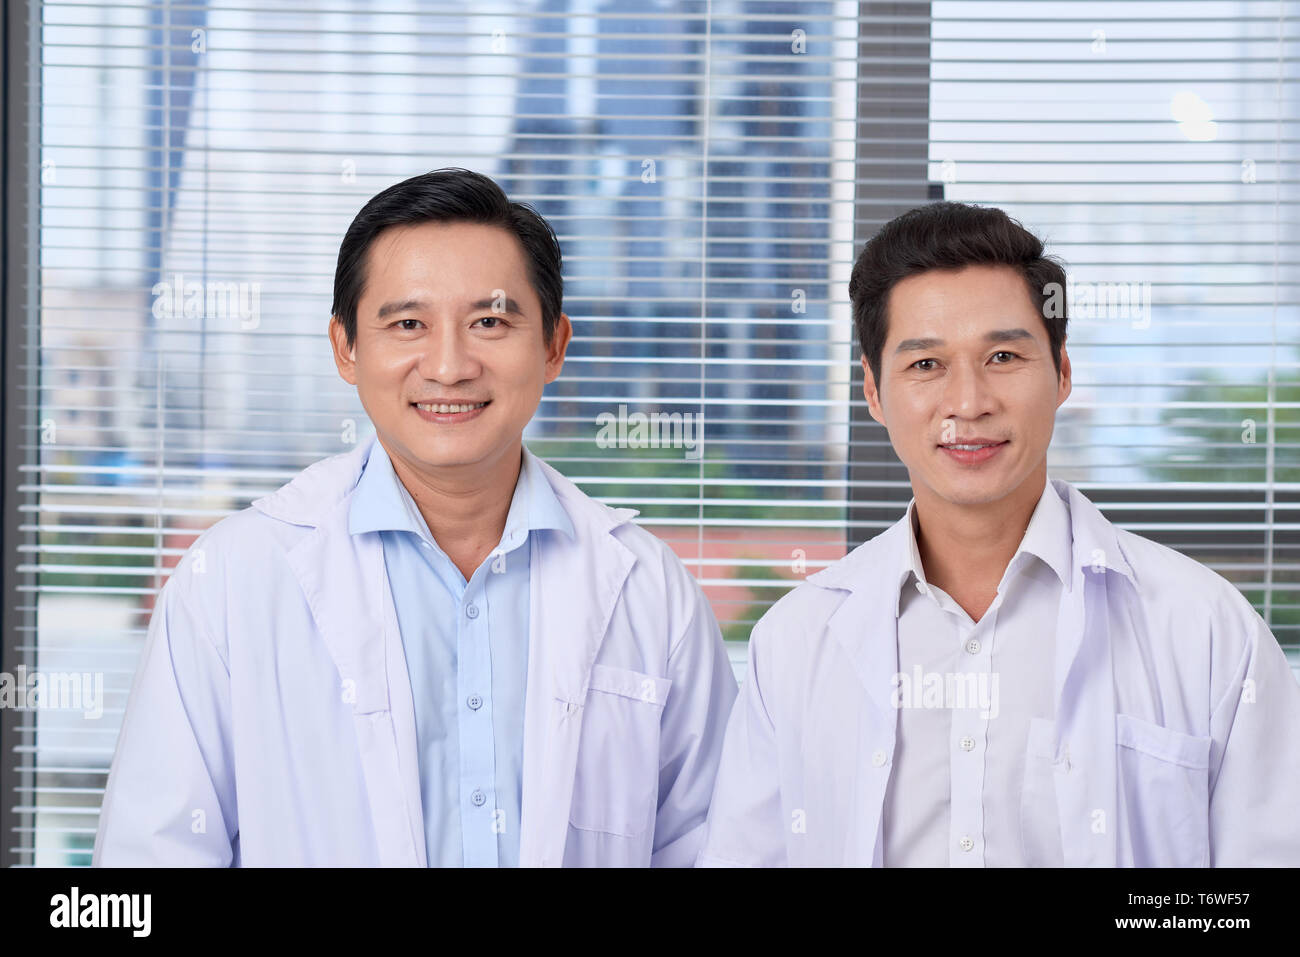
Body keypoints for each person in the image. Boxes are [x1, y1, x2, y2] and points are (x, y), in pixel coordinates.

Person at [94, 169, 737, 867]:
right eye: (408, 324)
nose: (450, 365)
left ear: (553, 345)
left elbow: (718, 846)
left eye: (490, 321)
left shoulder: (651, 591)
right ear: (346, 347)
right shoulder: (230, 582)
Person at [698, 201, 1300, 867]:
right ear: (872, 390)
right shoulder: (795, 642)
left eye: (1004, 355)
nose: (969, 401)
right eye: (925, 365)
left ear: (1062, 372)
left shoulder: (1205, 629)